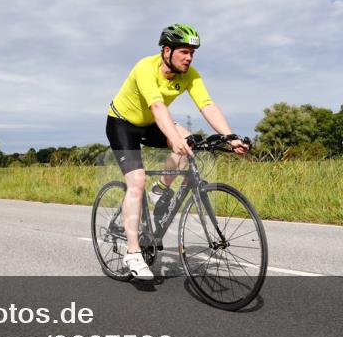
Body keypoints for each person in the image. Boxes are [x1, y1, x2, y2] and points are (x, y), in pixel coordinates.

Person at [106, 24, 249, 280]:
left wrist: (230, 137)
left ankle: (160, 188)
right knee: (136, 180)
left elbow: (207, 105)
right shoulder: (145, 67)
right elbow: (158, 106)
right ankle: (132, 251)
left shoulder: (190, 75)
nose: (189, 57)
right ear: (167, 51)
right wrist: (174, 138)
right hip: (122, 124)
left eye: (192, 52)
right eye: (184, 51)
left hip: (151, 124)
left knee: (189, 142)